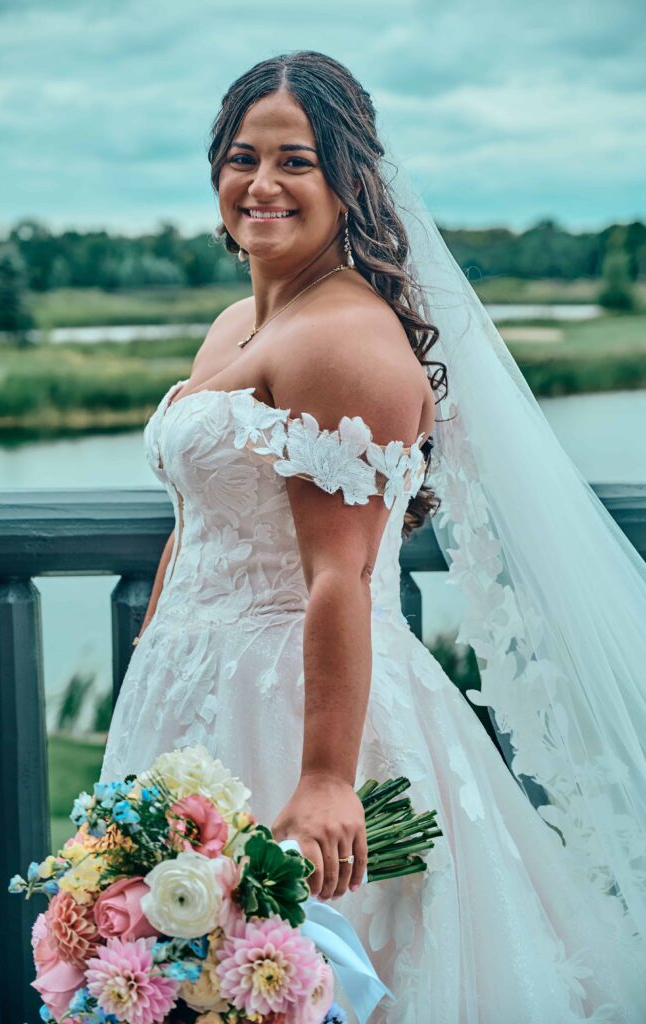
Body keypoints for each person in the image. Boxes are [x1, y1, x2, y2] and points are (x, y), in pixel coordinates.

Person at [100, 51, 646, 1022]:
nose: (260, 184)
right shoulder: (235, 323)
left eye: (295, 161)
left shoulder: (343, 340)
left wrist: (320, 778)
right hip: (193, 699)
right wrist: (155, 659)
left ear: (348, 180)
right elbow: (203, 514)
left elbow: (339, 576)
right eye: (240, 156)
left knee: (294, 979)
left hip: (297, 710)